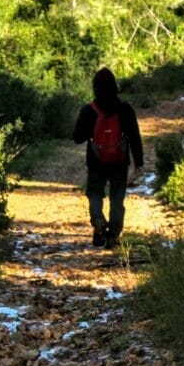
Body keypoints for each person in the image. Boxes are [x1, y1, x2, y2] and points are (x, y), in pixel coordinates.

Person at [72, 67, 144, 248]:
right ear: (115, 86)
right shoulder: (125, 109)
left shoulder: (89, 110)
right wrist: (139, 163)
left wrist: (91, 133)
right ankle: (113, 236)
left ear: (95, 87)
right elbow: (134, 137)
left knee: (95, 193)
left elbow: (77, 138)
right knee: (117, 198)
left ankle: (98, 221)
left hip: (96, 162)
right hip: (120, 161)